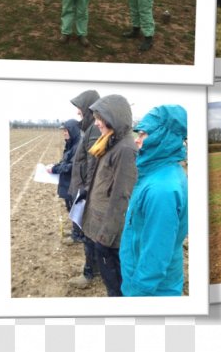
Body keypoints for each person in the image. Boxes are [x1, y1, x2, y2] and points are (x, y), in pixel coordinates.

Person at [119, 105, 188, 297]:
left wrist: (137, 291)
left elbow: (155, 258)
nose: (137, 141)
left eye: (143, 134)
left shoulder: (161, 190)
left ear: (163, 137)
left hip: (152, 291)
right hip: (155, 282)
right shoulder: (158, 173)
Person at [80, 94, 138, 297]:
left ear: (114, 117)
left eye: (100, 118)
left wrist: (106, 236)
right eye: (95, 117)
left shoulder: (125, 150)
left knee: (116, 287)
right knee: (109, 282)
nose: (96, 123)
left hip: (110, 237)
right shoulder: (111, 143)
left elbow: (122, 197)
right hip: (101, 229)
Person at [66, 89, 102, 289]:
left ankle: (90, 273)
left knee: (89, 233)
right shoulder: (88, 128)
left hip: (88, 192)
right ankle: (92, 269)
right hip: (85, 190)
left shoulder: (94, 131)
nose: (77, 112)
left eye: (80, 108)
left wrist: (86, 193)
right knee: (87, 232)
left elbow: (92, 165)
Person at [47, 119, 82, 242]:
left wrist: (55, 169)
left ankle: (78, 236)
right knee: (72, 208)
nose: (64, 133)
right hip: (70, 183)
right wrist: (55, 166)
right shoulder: (71, 143)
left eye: (66, 130)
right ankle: (75, 231)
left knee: (76, 209)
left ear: (72, 130)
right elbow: (65, 161)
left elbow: (71, 166)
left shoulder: (78, 146)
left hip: (75, 183)